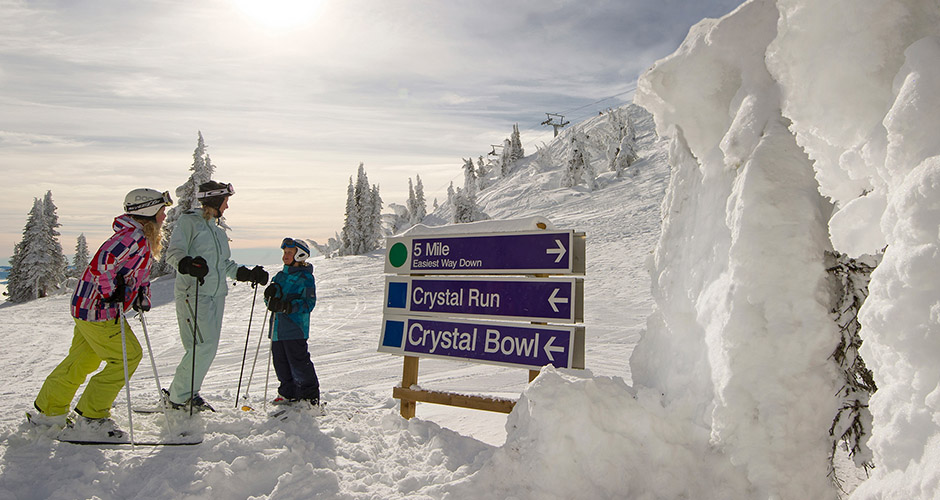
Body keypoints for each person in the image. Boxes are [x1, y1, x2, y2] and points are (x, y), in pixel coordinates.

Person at [28, 188, 172, 438]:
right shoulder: (131, 238)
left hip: (86, 305)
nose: (164, 215)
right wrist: (110, 292)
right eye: (162, 209)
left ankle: (49, 413)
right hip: (98, 309)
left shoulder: (139, 237)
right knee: (128, 357)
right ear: (147, 210)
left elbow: (138, 274)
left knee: (83, 359)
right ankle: (92, 416)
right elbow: (101, 264)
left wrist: (141, 295)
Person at [164, 180, 268, 412]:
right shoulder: (189, 222)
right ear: (214, 201)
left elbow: (225, 264)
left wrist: (246, 273)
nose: (227, 207)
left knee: (205, 347)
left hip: (216, 295)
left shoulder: (218, 232)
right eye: (225, 202)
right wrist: (188, 264)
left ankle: (188, 392)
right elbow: (173, 254)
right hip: (194, 293)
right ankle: (178, 398)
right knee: (203, 346)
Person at [264, 237, 320, 408]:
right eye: (285, 252)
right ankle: (288, 393)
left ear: (300, 255)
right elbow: (271, 303)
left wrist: (287, 306)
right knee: (280, 362)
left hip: (295, 328)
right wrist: (269, 298)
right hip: (277, 328)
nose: (285, 256)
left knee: (298, 362)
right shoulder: (280, 276)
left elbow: (308, 304)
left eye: (290, 252)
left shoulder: (305, 278)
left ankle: (309, 397)